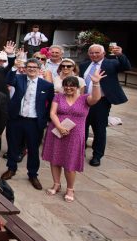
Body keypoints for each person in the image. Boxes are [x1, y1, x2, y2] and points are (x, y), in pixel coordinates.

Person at [42, 73, 105, 202]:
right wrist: (59, 126)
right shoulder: (58, 97)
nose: (68, 88)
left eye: (72, 86)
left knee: (70, 162)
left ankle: (70, 188)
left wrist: (96, 83)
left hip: (75, 134)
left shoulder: (85, 99)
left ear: (77, 87)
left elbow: (96, 98)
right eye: (66, 86)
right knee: (55, 159)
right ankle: (56, 184)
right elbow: (52, 113)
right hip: (57, 131)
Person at [1, 59, 54, 189]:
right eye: (29, 67)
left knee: (33, 149)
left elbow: (51, 103)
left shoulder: (46, 85)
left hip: (34, 122)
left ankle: (33, 174)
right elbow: (8, 80)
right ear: (25, 68)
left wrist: (45, 119)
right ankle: (11, 168)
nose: (31, 69)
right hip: (16, 119)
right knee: (13, 145)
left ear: (39, 69)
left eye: (34, 67)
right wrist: (14, 66)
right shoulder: (19, 79)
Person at [80, 43, 131, 167]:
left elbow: (126, 66)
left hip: (101, 102)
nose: (94, 55)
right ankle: (80, 152)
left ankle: (97, 155)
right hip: (84, 100)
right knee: (82, 127)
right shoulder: (84, 65)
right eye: (92, 53)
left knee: (99, 129)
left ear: (103, 53)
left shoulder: (111, 63)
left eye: (97, 52)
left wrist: (120, 55)